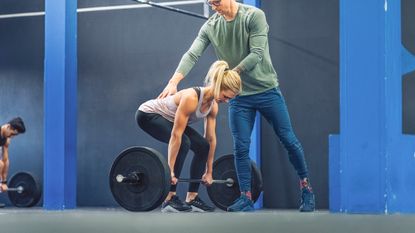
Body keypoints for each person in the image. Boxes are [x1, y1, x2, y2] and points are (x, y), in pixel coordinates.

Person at [158, 0, 315, 212]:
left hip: (267, 91)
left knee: (288, 140)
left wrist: (232, 74)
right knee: (241, 148)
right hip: (239, 98)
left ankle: (306, 189)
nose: (214, 7)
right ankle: (246, 197)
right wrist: (173, 81)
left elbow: (257, 53)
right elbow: (192, 54)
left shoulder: (254, 16)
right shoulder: (211, 27)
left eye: (216, 2)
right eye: (211, 4)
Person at [136, 60, 242, 212]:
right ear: (218, 86)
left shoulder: (213, 106)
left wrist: (210, 171)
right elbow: (176, 135)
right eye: (226, 96)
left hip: (169, 120)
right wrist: (169, 171)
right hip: (148, 115)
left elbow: (210, 139)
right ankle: (169, 198)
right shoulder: (191, 98)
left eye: (230, 99)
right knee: (184, 142)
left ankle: (192, 198)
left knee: (202, 146)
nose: (227, 101)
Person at [0, 117, 26, 208]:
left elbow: (5, 160)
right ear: (8, 126)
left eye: (14, 135)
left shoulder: (6, 139)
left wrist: (4, 181)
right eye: (11, 134)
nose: (12, 137)